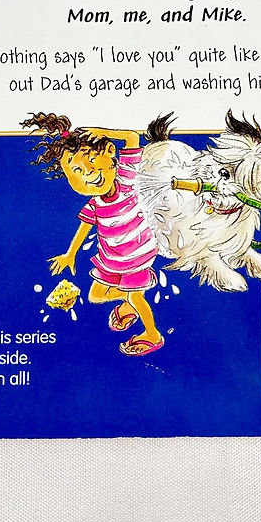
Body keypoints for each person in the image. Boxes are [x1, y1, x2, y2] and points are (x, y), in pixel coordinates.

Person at [21, 112, 164, 356]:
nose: (88, 172)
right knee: (96, 295)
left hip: (137, 256)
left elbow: (132, 138)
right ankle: (130, 303)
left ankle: (152, 334)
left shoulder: (127, 178)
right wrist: (70, 254)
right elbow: (84, 226)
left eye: (92, 160)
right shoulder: (96, 203)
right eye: (76, 169)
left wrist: (104, 132)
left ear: (109, 152)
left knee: (136, 296)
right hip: (112, 259)